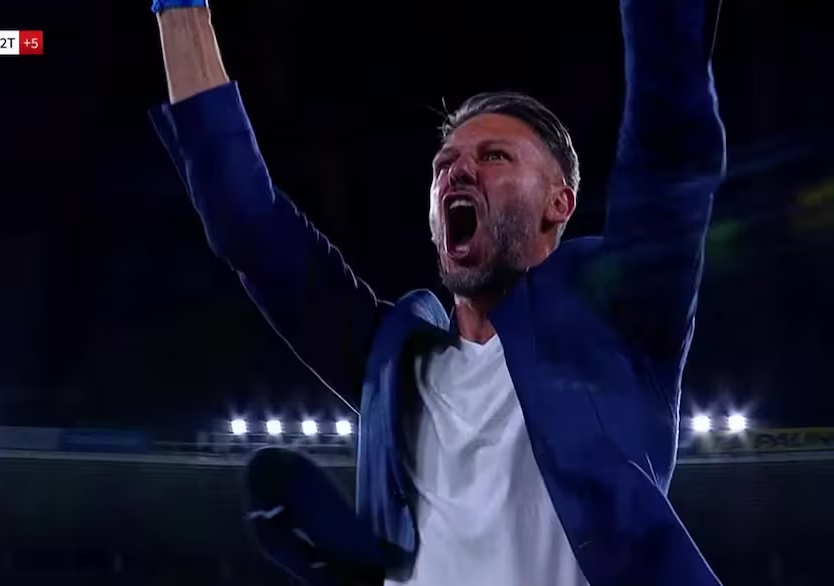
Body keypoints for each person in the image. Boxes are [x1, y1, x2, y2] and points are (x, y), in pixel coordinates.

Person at [149, 0, 726, 584]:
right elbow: (248, 224)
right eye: (444, 164)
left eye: (494, 156)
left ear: (559, 203)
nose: (458, 171)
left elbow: (669, 139)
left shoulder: (619, 321)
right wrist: (180, 10)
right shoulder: (394, 362)